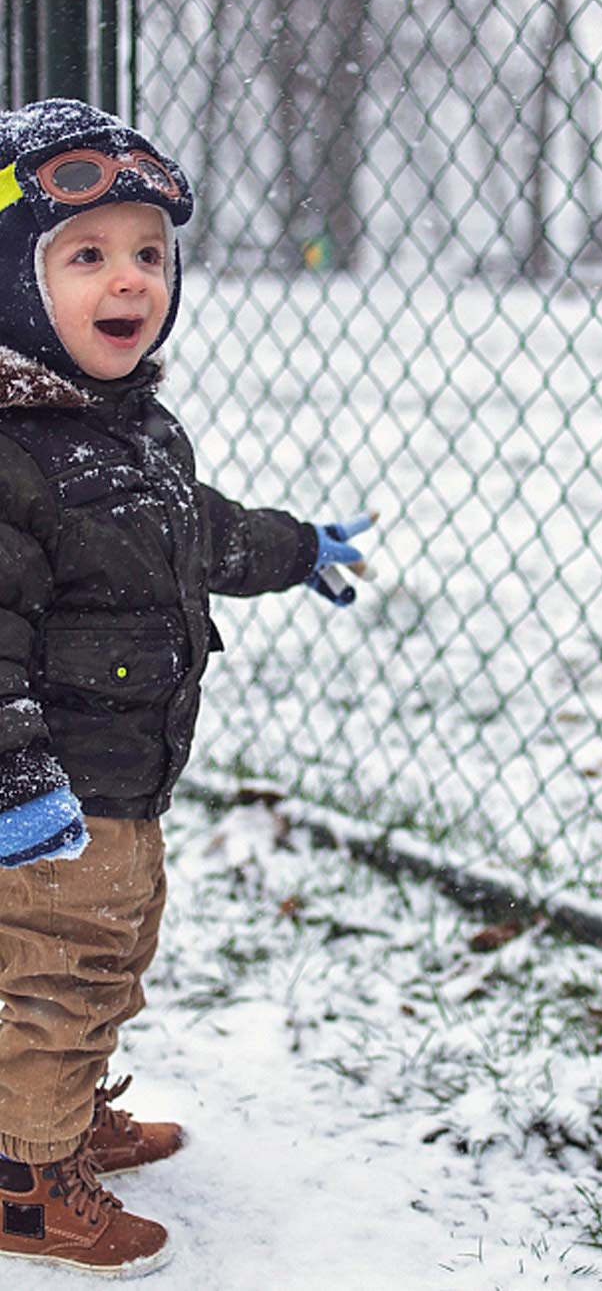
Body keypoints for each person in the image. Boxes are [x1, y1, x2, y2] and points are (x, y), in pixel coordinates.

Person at [0, 98, 372, 1277]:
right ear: (14, 284)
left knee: (113, 956)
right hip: (50, 798)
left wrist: (294, 546)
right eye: (89, 254)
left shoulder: (133, 429)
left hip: (126, 780)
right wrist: (15, 779)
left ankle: (59, 1120)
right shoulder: (11, 453)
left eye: (150, 253)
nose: (133, 280)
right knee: (63, 977)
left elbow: (193, 532)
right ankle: (24, 1180)